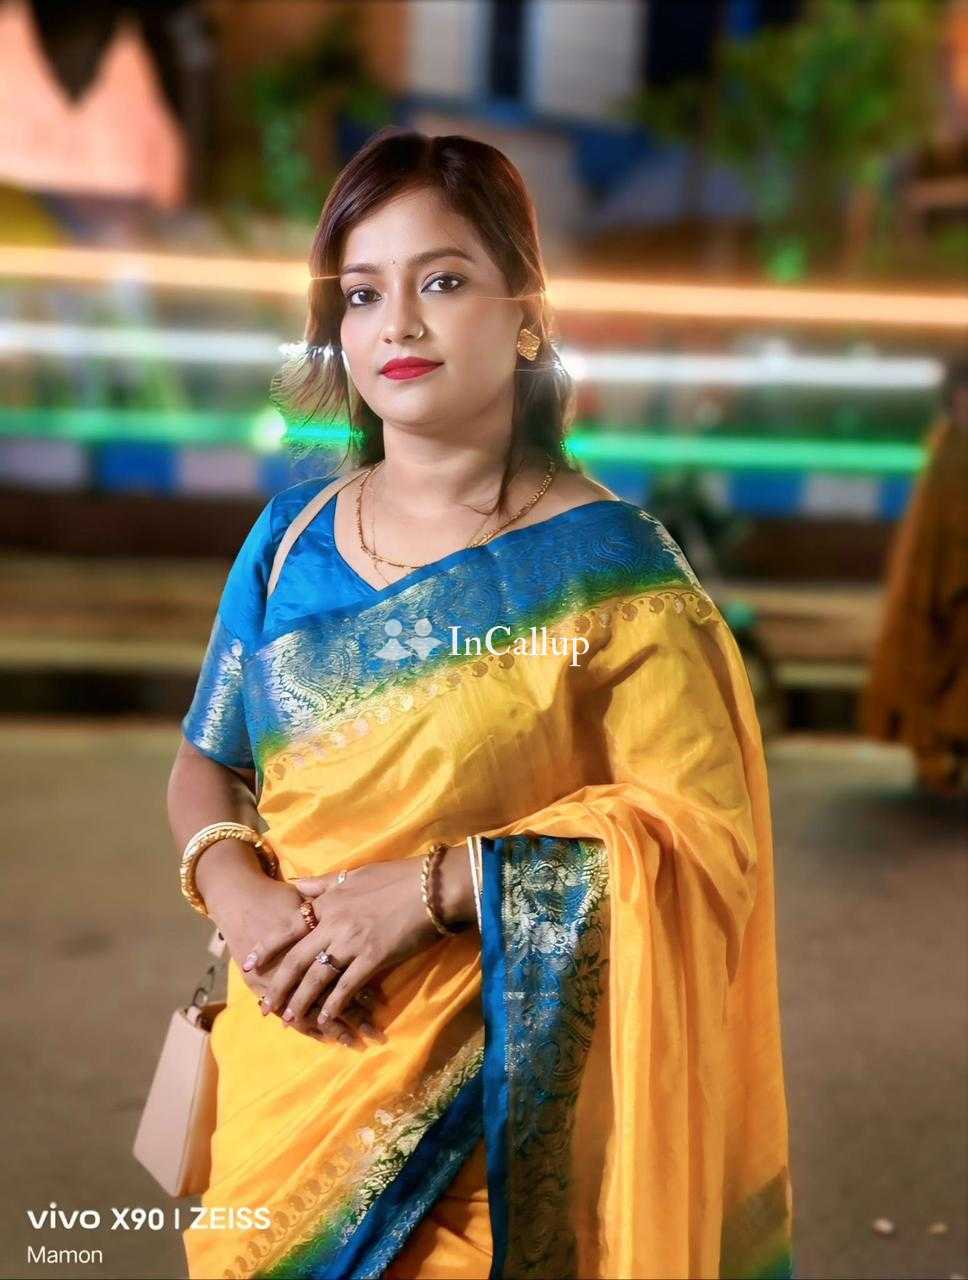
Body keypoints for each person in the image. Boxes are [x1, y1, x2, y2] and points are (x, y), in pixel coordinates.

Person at [167, 127, 794, 1280]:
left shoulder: (610, 574)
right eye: (363, 293)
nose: (396, 325)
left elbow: (702, 842)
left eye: (442, 281)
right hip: (282, 1078)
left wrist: (435, 889)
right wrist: (236, 889)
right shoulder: (289, 536)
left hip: (497, 1128)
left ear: (527, 317)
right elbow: (207, 761)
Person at [860, 358, 968, 797]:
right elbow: (940, 527)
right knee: (937, 670)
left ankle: (942, 753)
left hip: (946, 584)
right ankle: (939, 752)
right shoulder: (950, 449)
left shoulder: (946, 446)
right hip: (945, 585)